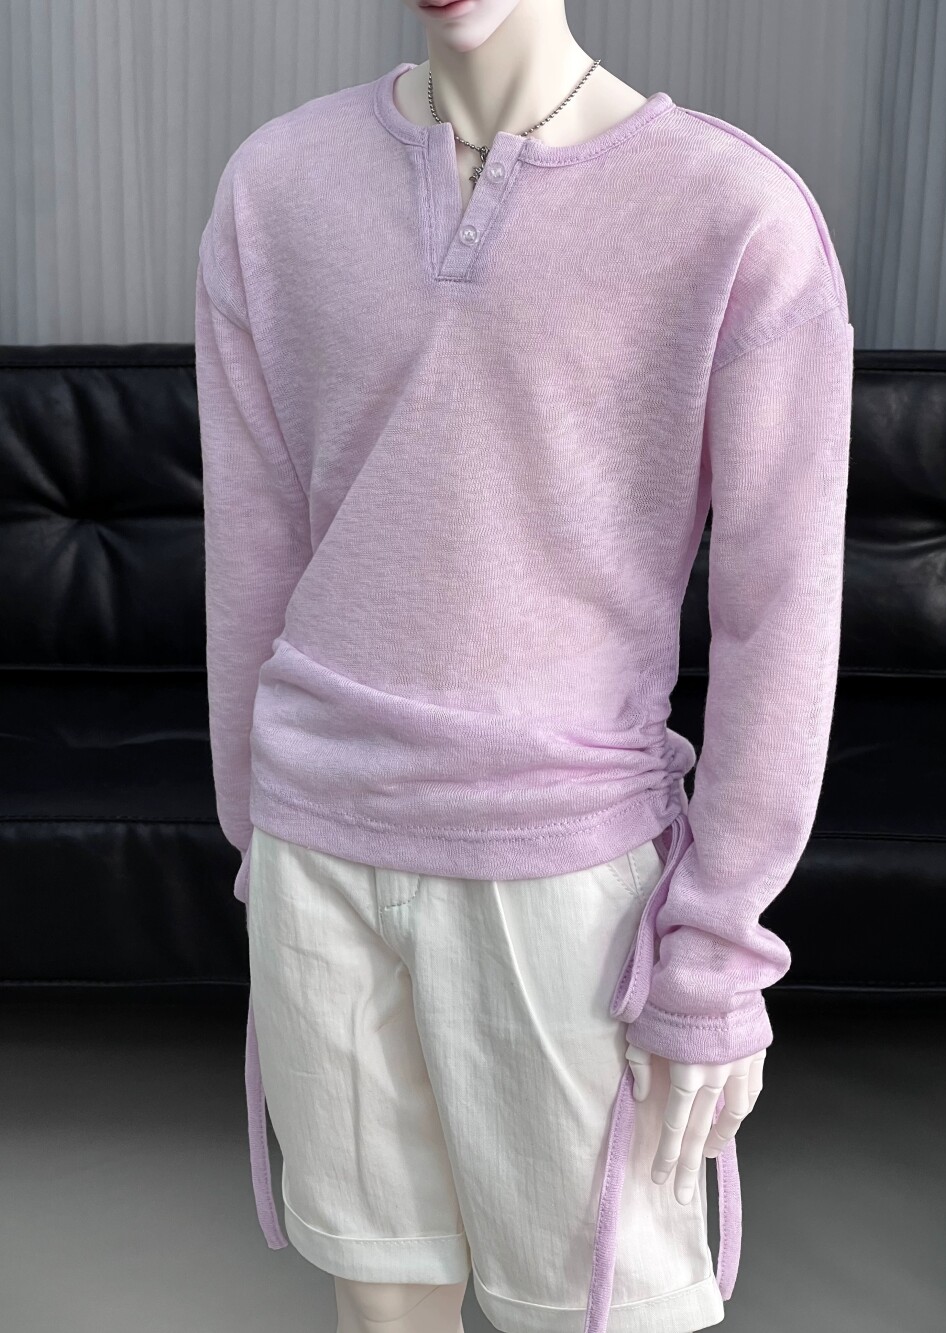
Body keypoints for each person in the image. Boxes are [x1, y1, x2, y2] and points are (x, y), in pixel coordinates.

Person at [194, 1, 854, 1330]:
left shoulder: (733, 215)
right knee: (382, 1303)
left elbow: (779, 616)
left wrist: (718, 949)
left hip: (562, 874)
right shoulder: (276, 189)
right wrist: (255, 834)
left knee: (597, 1316)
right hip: (317, 848)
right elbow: (252, 547)